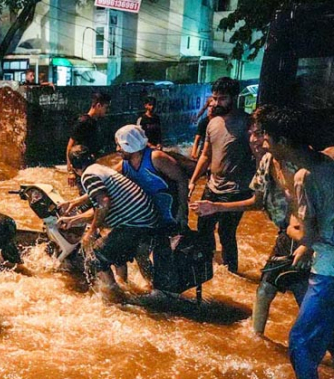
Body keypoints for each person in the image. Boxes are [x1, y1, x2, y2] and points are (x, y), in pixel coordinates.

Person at [261, 111, 334, 379]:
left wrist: (288, 227)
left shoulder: (302, 177)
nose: (264, 143)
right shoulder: (332, 157)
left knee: (300, 341)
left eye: (267, 138)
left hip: (332, 270)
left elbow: (307, 235)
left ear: (283, 140)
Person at [190, 105, 309, 335]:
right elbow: (257, 201)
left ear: (274, 137)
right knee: (275, 289)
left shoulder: (299, 164)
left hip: (302, 235)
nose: (254, 140)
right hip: (287, 233)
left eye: (259, 134)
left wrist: (308, 245)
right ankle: (259, 339)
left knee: (280, 289)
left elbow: (315, 212)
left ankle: (278, 339)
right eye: (251, 134)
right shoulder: (266, 163)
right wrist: (215, 206)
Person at [57, 145, 159, 292]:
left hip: (135, 223)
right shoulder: (99, 169)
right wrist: (73, 219)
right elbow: (102, 207)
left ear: (74, 167)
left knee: (95, 257)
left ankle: (116, 298)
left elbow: (103, 204)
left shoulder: (87, 176)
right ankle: (148, 290)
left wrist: (91, 231)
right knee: (117, 252)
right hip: (147, 219)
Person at [188, 77, 255, 274]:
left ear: (234, 97)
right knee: (203, 229)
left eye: (222, 99)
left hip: (236, 190)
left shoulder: (247, 123)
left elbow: (258, 155)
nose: (217, 103)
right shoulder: (212, 123)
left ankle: (233, 273)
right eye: (215, 98)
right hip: (211, 186)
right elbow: (206, 155)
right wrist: (193, 181)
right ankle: (207, 270)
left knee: (226, 233)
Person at [112, 124, 188, 288]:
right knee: (141, 252)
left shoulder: (156, 158)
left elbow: (182, 179)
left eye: (120, 145)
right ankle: (153, 285)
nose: (117, 149)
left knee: (164, 254)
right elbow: (107, 180)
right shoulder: (125, 164)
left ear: (131, 145)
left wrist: (183, 211)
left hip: (169, 214)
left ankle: (168, 291)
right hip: (149, 216)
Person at [66, 92, 111, 187]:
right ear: (98, 105)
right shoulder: (83, 121)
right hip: (81, 167)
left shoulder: (94, 121)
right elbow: (70, 146)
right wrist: (71, 172)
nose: (107, 110)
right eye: (106, 107)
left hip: (88, 164)